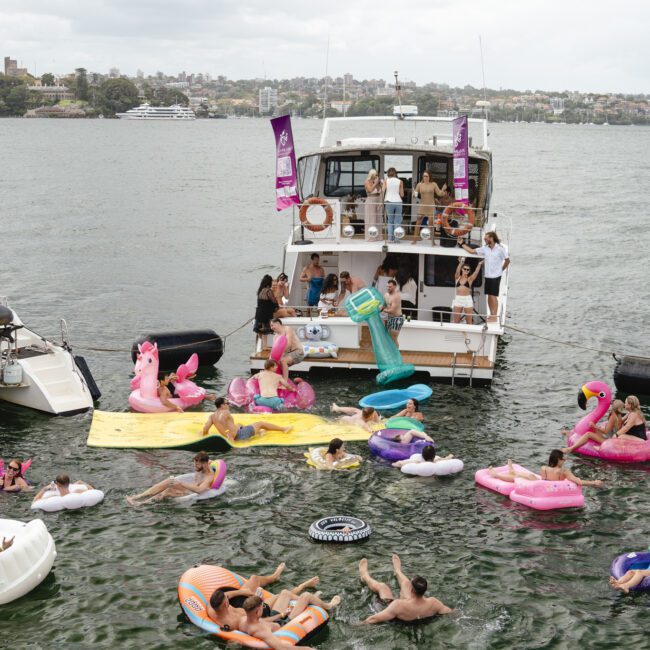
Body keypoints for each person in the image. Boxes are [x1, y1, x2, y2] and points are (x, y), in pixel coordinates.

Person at [359, 554, 452, 624]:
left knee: (383, 587)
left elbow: (373, 619)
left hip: (397, 616)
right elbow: (450, 612)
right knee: (406, 583)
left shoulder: (398, 605)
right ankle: (398, 571)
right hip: (413, 612)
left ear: (411, 590)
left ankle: (365, 576)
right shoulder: (434, 603)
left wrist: (358, 625)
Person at [240, 593, 339, 649]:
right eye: (262, 607)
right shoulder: (261, 631)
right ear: (257, 611)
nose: (264, 608)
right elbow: (281, 648)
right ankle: (328, 606)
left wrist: (281, 614)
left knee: (285, 593)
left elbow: (262, 620)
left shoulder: (244, 620)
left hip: (278, 619)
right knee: (306, 596)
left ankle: (311, 600)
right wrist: (306, 649)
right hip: (284, 625)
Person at [125, 451, 215, 505]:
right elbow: (209, 460)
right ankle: (138, 496)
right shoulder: (206, 464)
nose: (195, 466)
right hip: (189, 489)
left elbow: (199, 490)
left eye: (197, 464)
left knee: (168, 491)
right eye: (194, 463)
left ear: (204, 464)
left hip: (193, 494)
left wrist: (181, 483)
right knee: (169, 480)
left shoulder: (209, 477)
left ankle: (141, 504)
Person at [458, 231, 509, 322]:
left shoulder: (500, 249)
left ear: (492, 238)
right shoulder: (485, 248)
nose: (485, 240)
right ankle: (491, 314)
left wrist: (501, 270)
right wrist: (462, 244)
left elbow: (507, 260)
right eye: (484, 239)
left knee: (493, 296)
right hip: (488, 276)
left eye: (486, 238)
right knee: (489, 296)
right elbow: (472, 251)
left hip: (496, 276)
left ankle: (494, 316)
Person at [202, 398, 291, 441]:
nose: (228, 405)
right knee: (260, 423)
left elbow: (205, 429)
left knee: (239, 424)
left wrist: (205, 436)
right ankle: (284, 429)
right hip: (239, 435)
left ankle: (259, 432)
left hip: (233, 435)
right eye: (227, 403)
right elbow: (222, 420)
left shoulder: (212, 416)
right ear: (222, 405)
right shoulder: (225, 412)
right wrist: (230, 435)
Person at [412, 170, 447, 242]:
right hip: (422, 205)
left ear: (429, 177)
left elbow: (439, 193)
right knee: (418, 221)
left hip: (431, 205)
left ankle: (432, 240)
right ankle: (414, 239)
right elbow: (415, 196)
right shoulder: (419, 184)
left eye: (426, 176)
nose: (425, 177)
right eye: (424, 176)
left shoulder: (433, 184)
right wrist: (413, 193)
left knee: (431, 222)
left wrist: (443, 189)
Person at [452, 257, 483, 325]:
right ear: (462, 269)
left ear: (469, 271)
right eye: (464, 269)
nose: (466, 270)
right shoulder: (457, 277)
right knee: (456, 321)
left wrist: (479, 264)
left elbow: (476, 272)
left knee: (469, 322)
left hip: (467, 300)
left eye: (467, 269)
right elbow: (457, 271)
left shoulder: (470, 279)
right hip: (458, 299)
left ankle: (469, 335)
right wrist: (461, 263)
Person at [253, 274, 279, 349]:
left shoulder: (260, 290)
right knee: (264, 331)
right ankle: (265, 346)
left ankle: (263, 345)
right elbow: (274, 301)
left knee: (259, 330)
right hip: (265, 314)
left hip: (258, 313)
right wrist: (276, 307)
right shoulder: (268, 291)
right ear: (269, 282)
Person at [382, 167, 404, 243]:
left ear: (388, 174)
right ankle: (397, 239)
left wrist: (381, 202)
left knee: (390, 221)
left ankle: (390, 239)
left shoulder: (386, 181)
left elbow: (382, 191)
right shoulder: (400, 181)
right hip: (398, 201)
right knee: (397, 221)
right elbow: (402, 194)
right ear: (395, 173)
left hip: (388, 201)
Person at [381, 279, 404, 347]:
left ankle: (396, 355)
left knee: (393, 338)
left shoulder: (396, 296)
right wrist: (380, 307)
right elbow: (384, 305)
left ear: (395, 286)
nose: (388, 288)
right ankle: (391, 354)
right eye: (387, 286)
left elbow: (392, 310)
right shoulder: (386, 295)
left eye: (390, 287)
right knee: (388, 338)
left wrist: (383, 310)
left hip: (397, 319)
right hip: (390, 318)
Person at [364, 168, 382, 241]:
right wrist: (375, 183)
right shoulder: (367, 181)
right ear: (371, 175)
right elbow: (370, 190)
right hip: (371, 201)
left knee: (378, 219)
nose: (376, 176)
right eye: (375, 175)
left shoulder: (377, 182)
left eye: (377, 175)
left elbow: (381, 192)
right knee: (371, 219)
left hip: (378, 201)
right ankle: (371, 237)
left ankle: (378, 236)